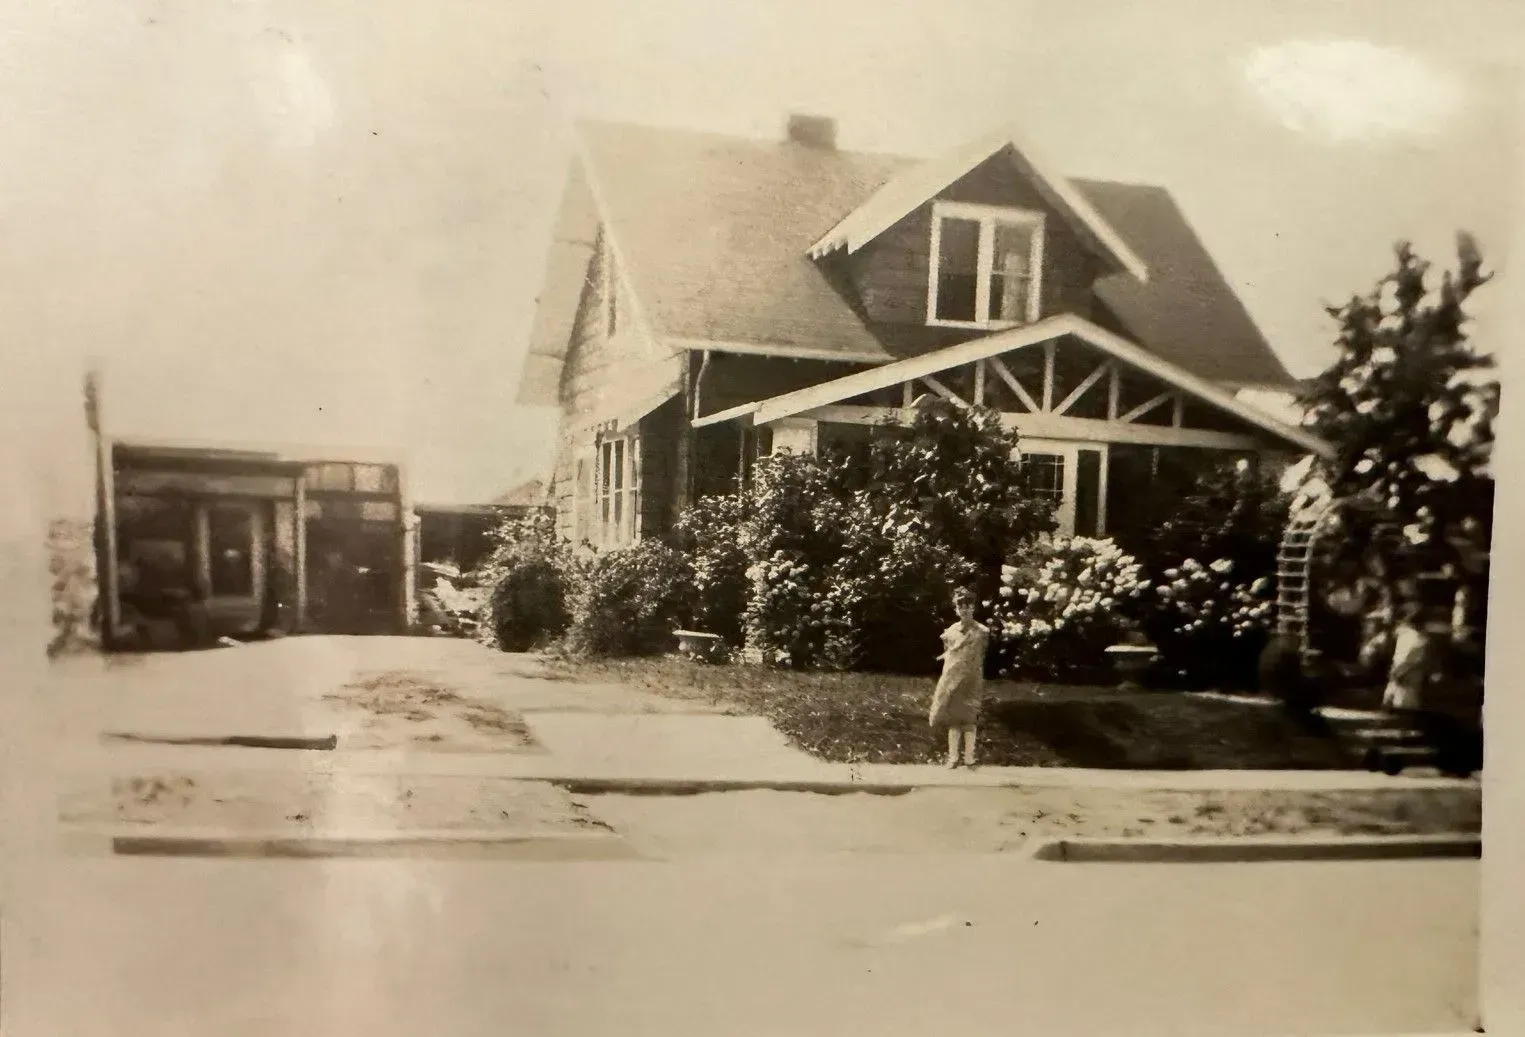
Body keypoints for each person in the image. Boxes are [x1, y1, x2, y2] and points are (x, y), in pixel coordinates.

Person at [929, 586, 991, 769]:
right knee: (954, 719)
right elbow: (948, 657)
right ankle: (953, 757)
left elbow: (981, 655)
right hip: (954, 680)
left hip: (971, 679)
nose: (964, 609)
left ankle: (970, 757)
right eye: (960, 606)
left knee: (970, 719)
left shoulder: (982, 631)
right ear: (956, 608)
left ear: (973, 608)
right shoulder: (950, 632)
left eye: (968, 605)